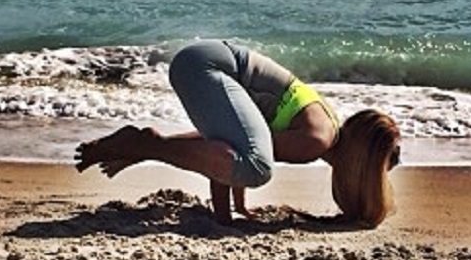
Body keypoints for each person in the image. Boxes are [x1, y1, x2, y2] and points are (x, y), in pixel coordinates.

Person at [75, 40, 400, 227]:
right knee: (258, 169)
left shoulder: (325, 123)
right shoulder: (314, 142)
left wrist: (236, 209)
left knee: (253, 164)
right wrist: (223, 218)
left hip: (203, 62)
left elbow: (237, 139)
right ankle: (141, 143)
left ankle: (139, 144)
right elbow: (240, 153)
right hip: (207, 67)